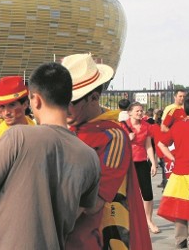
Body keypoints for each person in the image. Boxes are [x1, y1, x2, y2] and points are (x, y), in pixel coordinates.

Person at [0, 62, 100, 249]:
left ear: (34, 100)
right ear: (68, 98)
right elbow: (81, 209)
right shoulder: (90, 156)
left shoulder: (17, 136)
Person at [62, 53, 151, 250]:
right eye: (60, 100)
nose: (64, 108)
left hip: (104, 236)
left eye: (71, 101)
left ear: (94, 98)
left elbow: (94, 202)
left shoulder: (112, 135)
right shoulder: (66, 129)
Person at [157, 96, 189, 249]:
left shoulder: (177, 126)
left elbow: (161, 143)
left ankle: (181, 240)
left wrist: (172, 158)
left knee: (180, 207)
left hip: (179, 172)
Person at [120, 102, 160, 234]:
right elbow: (118, 145)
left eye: (141, 111)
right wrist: (127, 138)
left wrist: (153, 163)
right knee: (127, 193)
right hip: (127, 163)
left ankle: (148, 220)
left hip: (142, 161)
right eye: (137, 111)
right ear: (130, 112)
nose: (140, 113)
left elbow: (148, 145)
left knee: (147, 193)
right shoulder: (123, 125)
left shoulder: (146, 126)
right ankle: (128, 221)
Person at [0, 76, 35, 142]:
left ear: (25, 104)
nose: (6, 113)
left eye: (12, 105)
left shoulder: (35, 125)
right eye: (2, 106)